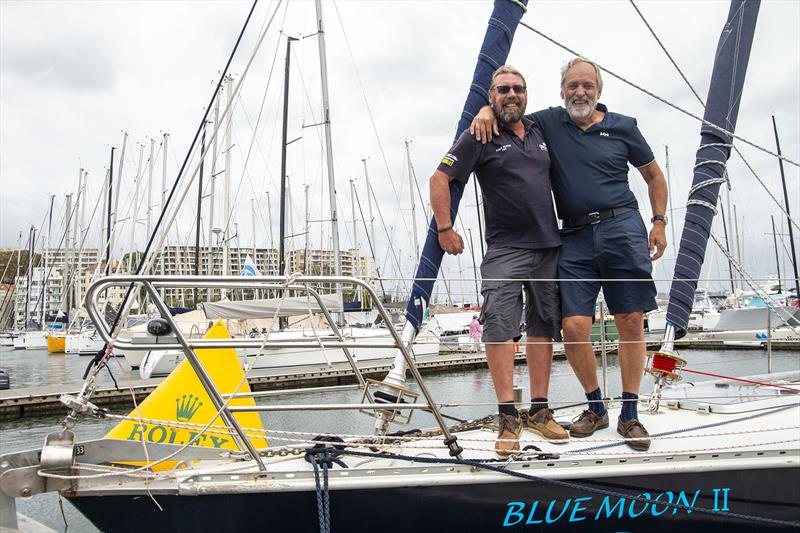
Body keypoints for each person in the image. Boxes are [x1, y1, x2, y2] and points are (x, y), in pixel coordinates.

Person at [471, 57, 667, 451]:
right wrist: (483, 108)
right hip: (574, 234)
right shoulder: (548, 122)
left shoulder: (624, 127)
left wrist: (659, 221)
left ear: (598, 91)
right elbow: (510, 107)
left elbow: (653, 176)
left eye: (587, 86)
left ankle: (630, 413)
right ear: (562, 91)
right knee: (575, 326)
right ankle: (596, 407)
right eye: (572, 86)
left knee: (629, 319)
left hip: (622, 226)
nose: (580, 92)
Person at [431, 65, 568, 458]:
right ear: (491, 96)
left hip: (548, 247)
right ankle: (508, 417)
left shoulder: (541, 129)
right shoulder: (480, 134)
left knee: (544, 327)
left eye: (518, 89)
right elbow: (440, 179)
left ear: (527, 95)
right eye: (503, 90)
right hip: (505, 249)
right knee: (499, 330)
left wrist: (489, 106)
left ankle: (540, 411)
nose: (512, 95)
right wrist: (445, 229)